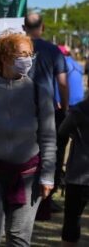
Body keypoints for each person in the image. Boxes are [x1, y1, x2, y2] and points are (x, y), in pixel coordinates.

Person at [0, 33, 56, 246]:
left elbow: (48, 137)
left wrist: (47, 176)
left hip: (27, 177)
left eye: (29, 54)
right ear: (4, 57)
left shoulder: (40, 93)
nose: (27, 60)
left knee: (19, 238)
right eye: (21, 54)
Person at [23, 13, 69, 212]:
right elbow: (62, 82)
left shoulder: (17, 49)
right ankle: (45, 202)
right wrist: (64, 107)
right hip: (47, 109)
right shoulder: (53, 51)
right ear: (41, 28)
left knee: (26, 154)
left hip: (20, 107)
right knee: (49, 153)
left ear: (24, 27)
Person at [58, 99, 89, 246]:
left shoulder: (79, 110)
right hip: (79, 175)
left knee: (71, 220)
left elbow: (62, 130)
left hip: (79, 174)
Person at [56, 45, 84, 112]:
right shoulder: (77, 64)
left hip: (68, 102)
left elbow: (60, 84)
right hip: (80, 100)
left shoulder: (61, 63)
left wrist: (57, 100)